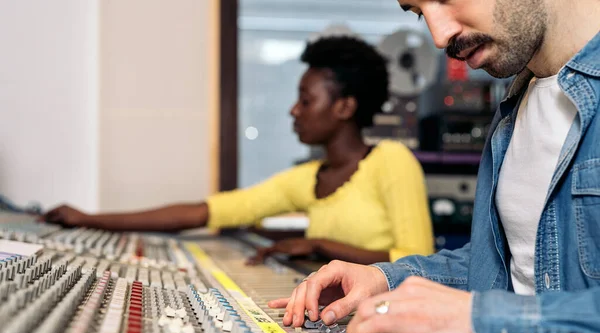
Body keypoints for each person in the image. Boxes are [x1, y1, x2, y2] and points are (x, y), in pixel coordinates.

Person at [269, 0, 600, 333]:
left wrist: (481, 321)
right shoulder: (517, 103)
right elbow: (512, 268)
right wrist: (386, 280)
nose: (440, 37)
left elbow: (504, 310)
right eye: (418, 12)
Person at [43, 36, 434, 266]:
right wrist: (89, 219)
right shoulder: (307, 179)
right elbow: (207, 211)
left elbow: (418, 260)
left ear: (344, 107)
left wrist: (320, 246)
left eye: (305, 100)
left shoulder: (392, 161)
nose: (293, 110)